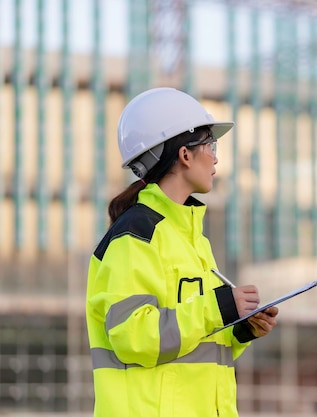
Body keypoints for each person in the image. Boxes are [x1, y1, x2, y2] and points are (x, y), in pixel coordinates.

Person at [85, 87, 278, 417]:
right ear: (185, 155)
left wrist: (240, 328)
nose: (216, 157)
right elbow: (134, 337)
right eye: (210, 145)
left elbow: (195, 343)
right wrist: (217, 308)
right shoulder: (137, 235)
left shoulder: (192, 238)